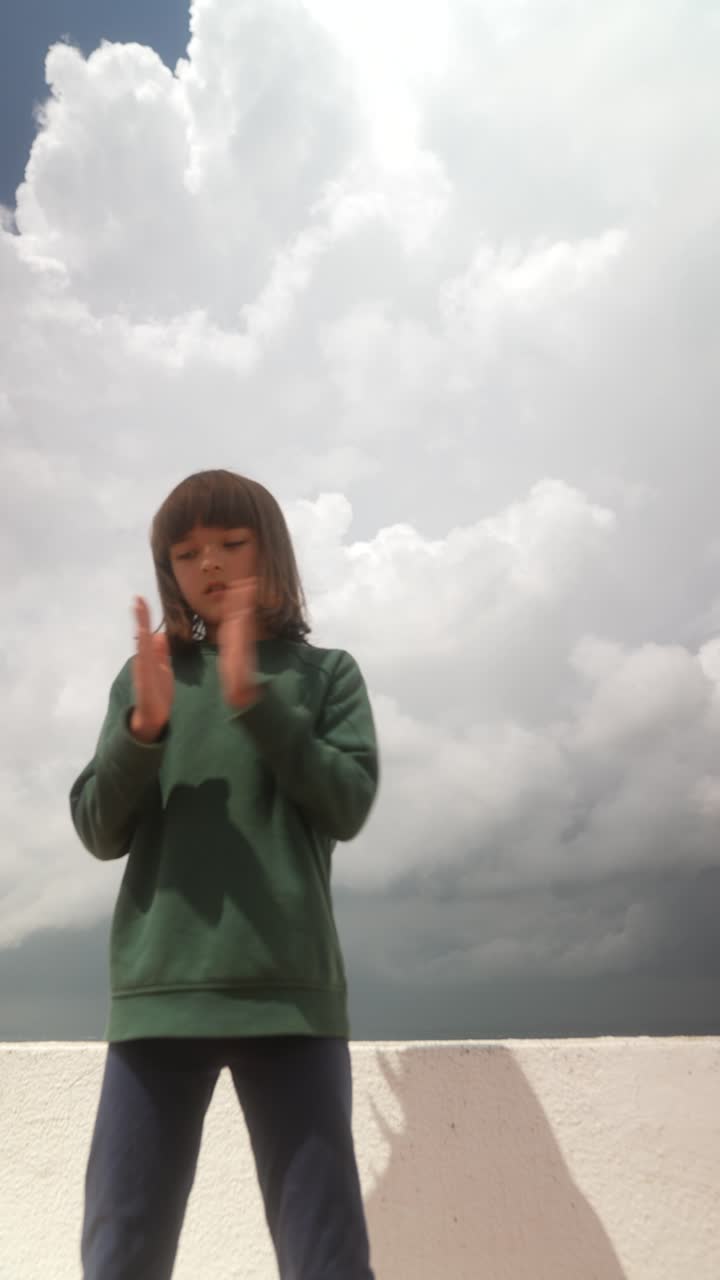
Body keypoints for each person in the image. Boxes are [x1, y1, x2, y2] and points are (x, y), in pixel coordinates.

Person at [70, 469, 379, 1280]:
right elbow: (99, 828)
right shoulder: (148, 678)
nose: (208, 563)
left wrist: (255, 699)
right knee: (120, 1251)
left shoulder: (328, 675)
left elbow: (347, 804)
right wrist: (142, 728)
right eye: (185, 553)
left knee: (325, 1255)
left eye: (230, 543)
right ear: (166, 571)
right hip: (158, 996)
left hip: (290, 995)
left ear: (270, 549)